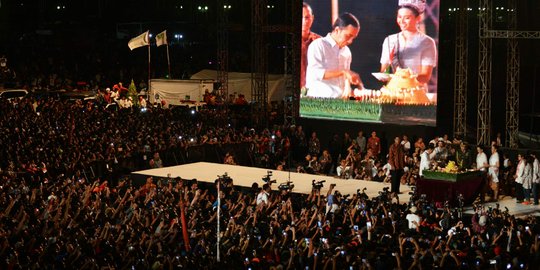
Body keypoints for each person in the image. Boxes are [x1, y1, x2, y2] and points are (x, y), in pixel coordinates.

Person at [379, 0, 437, 92]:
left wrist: (404, 80)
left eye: (407, 18)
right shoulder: (390, 40)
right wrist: (386, 75)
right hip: (394, 91)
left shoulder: (427, 42)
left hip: (416, 92)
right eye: (399, 17)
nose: (401, 21)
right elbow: (384, 70)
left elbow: (425, 76)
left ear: (418, 18)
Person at [305, 12, 362, 98]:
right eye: (348, 36)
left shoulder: (347, 51)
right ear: (337, 30)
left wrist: (349, 85)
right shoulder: (318, 45)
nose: (350, 41)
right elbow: (315, 73)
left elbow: (346, 76)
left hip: (339, 102)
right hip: (318, 101)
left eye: (353, 38)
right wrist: (343, 72)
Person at [301, 3, 321, 89]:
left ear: (312, 18)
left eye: (307, 17)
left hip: (315, 90)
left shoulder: (320, 41)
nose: (304, 21)